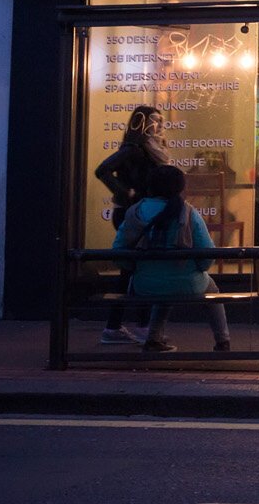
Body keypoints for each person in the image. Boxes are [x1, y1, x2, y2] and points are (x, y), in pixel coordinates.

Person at [116, 163, 230, 354]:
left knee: (163, 290)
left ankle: (153, 339)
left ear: (150, 186)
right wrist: (197, 269)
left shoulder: (135, 211)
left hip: (145, 285)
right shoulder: (188, 212)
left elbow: (119, 250)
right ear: (180, 187)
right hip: (187, 283)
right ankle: (223, 341)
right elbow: (207, 254)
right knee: (212, 290)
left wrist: (136, 268)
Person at [92, 104, 165, 345]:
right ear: (142, 123)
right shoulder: (133, 149)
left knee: (133, 269)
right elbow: (102, 170)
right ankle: (136, 325)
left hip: (141, 212)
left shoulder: (151, 149)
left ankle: (119, 326)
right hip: (131, 214)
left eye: (160, 120)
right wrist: (125, 192)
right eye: (154, 120)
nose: (159, 125)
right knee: (136, 269)